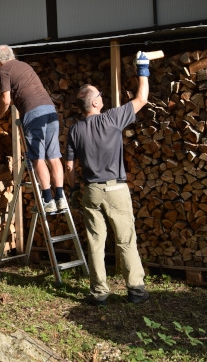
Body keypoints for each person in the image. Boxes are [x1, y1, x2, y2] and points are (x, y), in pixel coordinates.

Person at [65, 50, 151, 306]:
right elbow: (142, 98)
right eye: (99, 95)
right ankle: (136, 290)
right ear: (94, 103)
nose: (102, 97)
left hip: (90, 191)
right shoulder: (112, 119)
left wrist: (73, 190)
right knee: (125, 241)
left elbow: (69, 166)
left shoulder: (75, 130)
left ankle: (99, 293)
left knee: (95, 242)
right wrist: (143, 69)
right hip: (116, 190)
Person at [0, 44, 67, 213]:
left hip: (33, 113)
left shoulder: (4, 70)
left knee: (38, 158)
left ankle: (48, 200)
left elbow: (6, 100)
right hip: (50, 110)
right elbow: (21, 92)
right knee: (53, 156)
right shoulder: (24, 66)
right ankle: (60, 198)